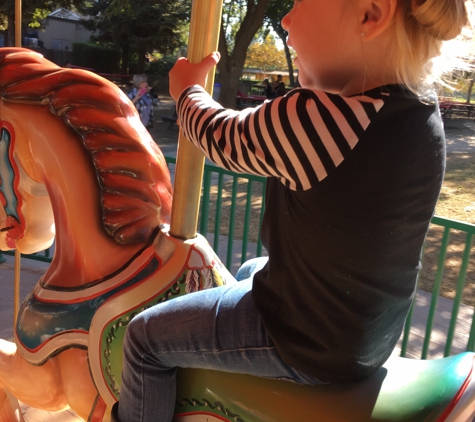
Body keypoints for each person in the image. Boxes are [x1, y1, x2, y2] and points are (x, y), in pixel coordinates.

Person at [113, 0, 469, 420]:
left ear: (371, 14)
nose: (284, 19)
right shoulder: (420, 111)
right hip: (369, 331)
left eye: (300, 3)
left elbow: (217, 135)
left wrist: (187, 90)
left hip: (305, 341)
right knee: (250, 268)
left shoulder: (322, 117)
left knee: (142, 339)